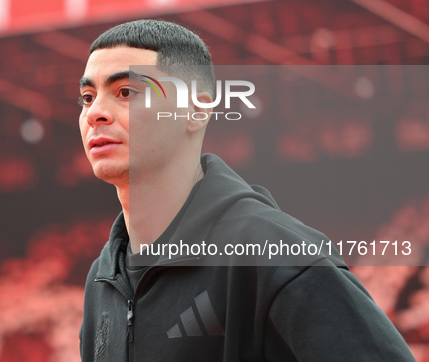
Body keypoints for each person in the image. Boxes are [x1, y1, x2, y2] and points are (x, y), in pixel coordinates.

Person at [77, 19, 415, 361]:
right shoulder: (103, 279)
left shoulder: (278, 255)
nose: (95, 114)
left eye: (125, 92)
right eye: (87, 97)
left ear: (195, 110)